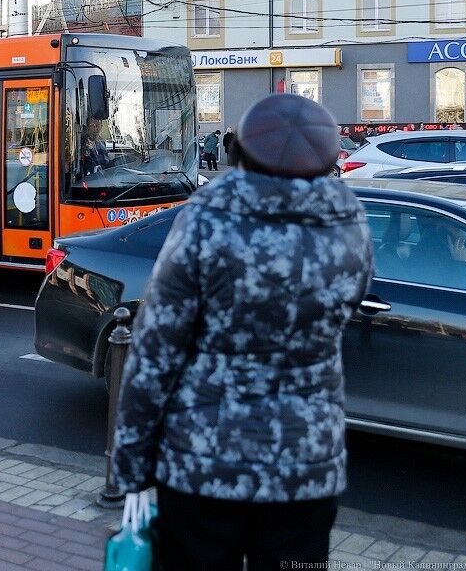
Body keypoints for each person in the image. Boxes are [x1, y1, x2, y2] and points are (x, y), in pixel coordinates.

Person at [111, 93, 374, 571]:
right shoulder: (349, 225)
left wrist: (130, 467)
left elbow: (154, 351)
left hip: (203, 471)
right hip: (305, 473)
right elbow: (348, 306)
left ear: (239, 153)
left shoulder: (206, 221)